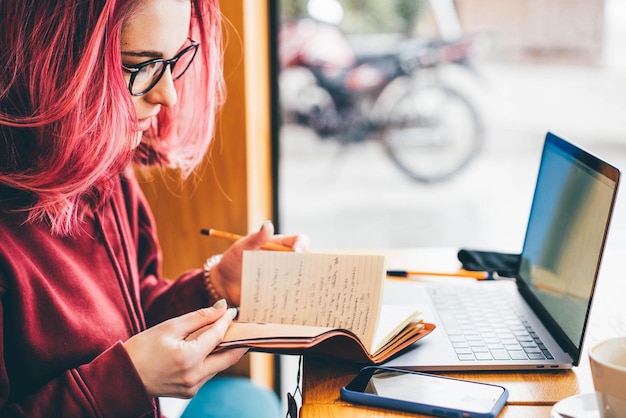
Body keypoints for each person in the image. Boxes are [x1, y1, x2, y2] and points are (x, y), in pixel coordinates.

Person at [0, 0, 307, 416]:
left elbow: (130, 313)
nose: (169, 95)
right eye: (139, 65)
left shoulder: (107, 175)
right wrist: (129, 382)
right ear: (51, 60)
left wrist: (216, 284)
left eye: (173, 58)